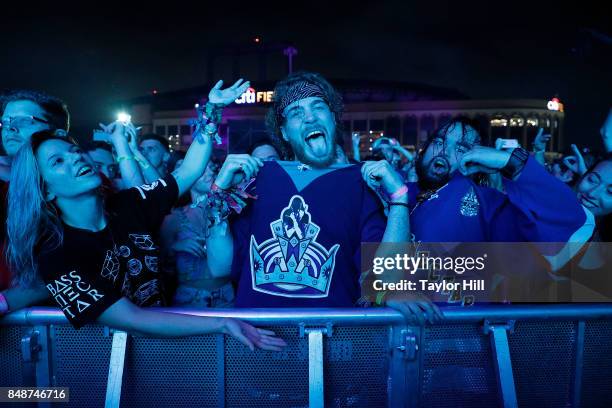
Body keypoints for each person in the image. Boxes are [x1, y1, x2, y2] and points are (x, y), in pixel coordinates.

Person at [2, 82, 286, 351]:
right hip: (105, 363)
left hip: (165, 346)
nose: (76, 158)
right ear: (46, 190)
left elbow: (187, 172)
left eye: (75, 152)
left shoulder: (127, 204)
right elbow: (134, 319)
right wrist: (222, 323)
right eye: (58, 161)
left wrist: (212, 108)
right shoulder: (56, 251)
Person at [203, 72, 439, 323]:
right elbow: (219, 268)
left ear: (333, 119)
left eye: (318, 107)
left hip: (335, 346)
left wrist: (399, 196)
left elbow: (386, 279)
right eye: (296, 113)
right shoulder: (257, 178)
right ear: (284, 133)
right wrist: (218, 191)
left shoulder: (360, 182)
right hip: (258, 346)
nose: (310, 118)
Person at [0, 90, 70, 308]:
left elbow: (81, 263)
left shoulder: (80, 182)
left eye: (23, 121)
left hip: (64, 327)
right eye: (5, 122)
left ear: (56, 133)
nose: (10, 128)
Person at [159, 161, 235, 308]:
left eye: (211, 168)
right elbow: (158, 261)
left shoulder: (229, 213)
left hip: (226, 295)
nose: (210, 173)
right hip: (189, 299)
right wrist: (174, 247)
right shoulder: (174, 218)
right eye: (202, 169)